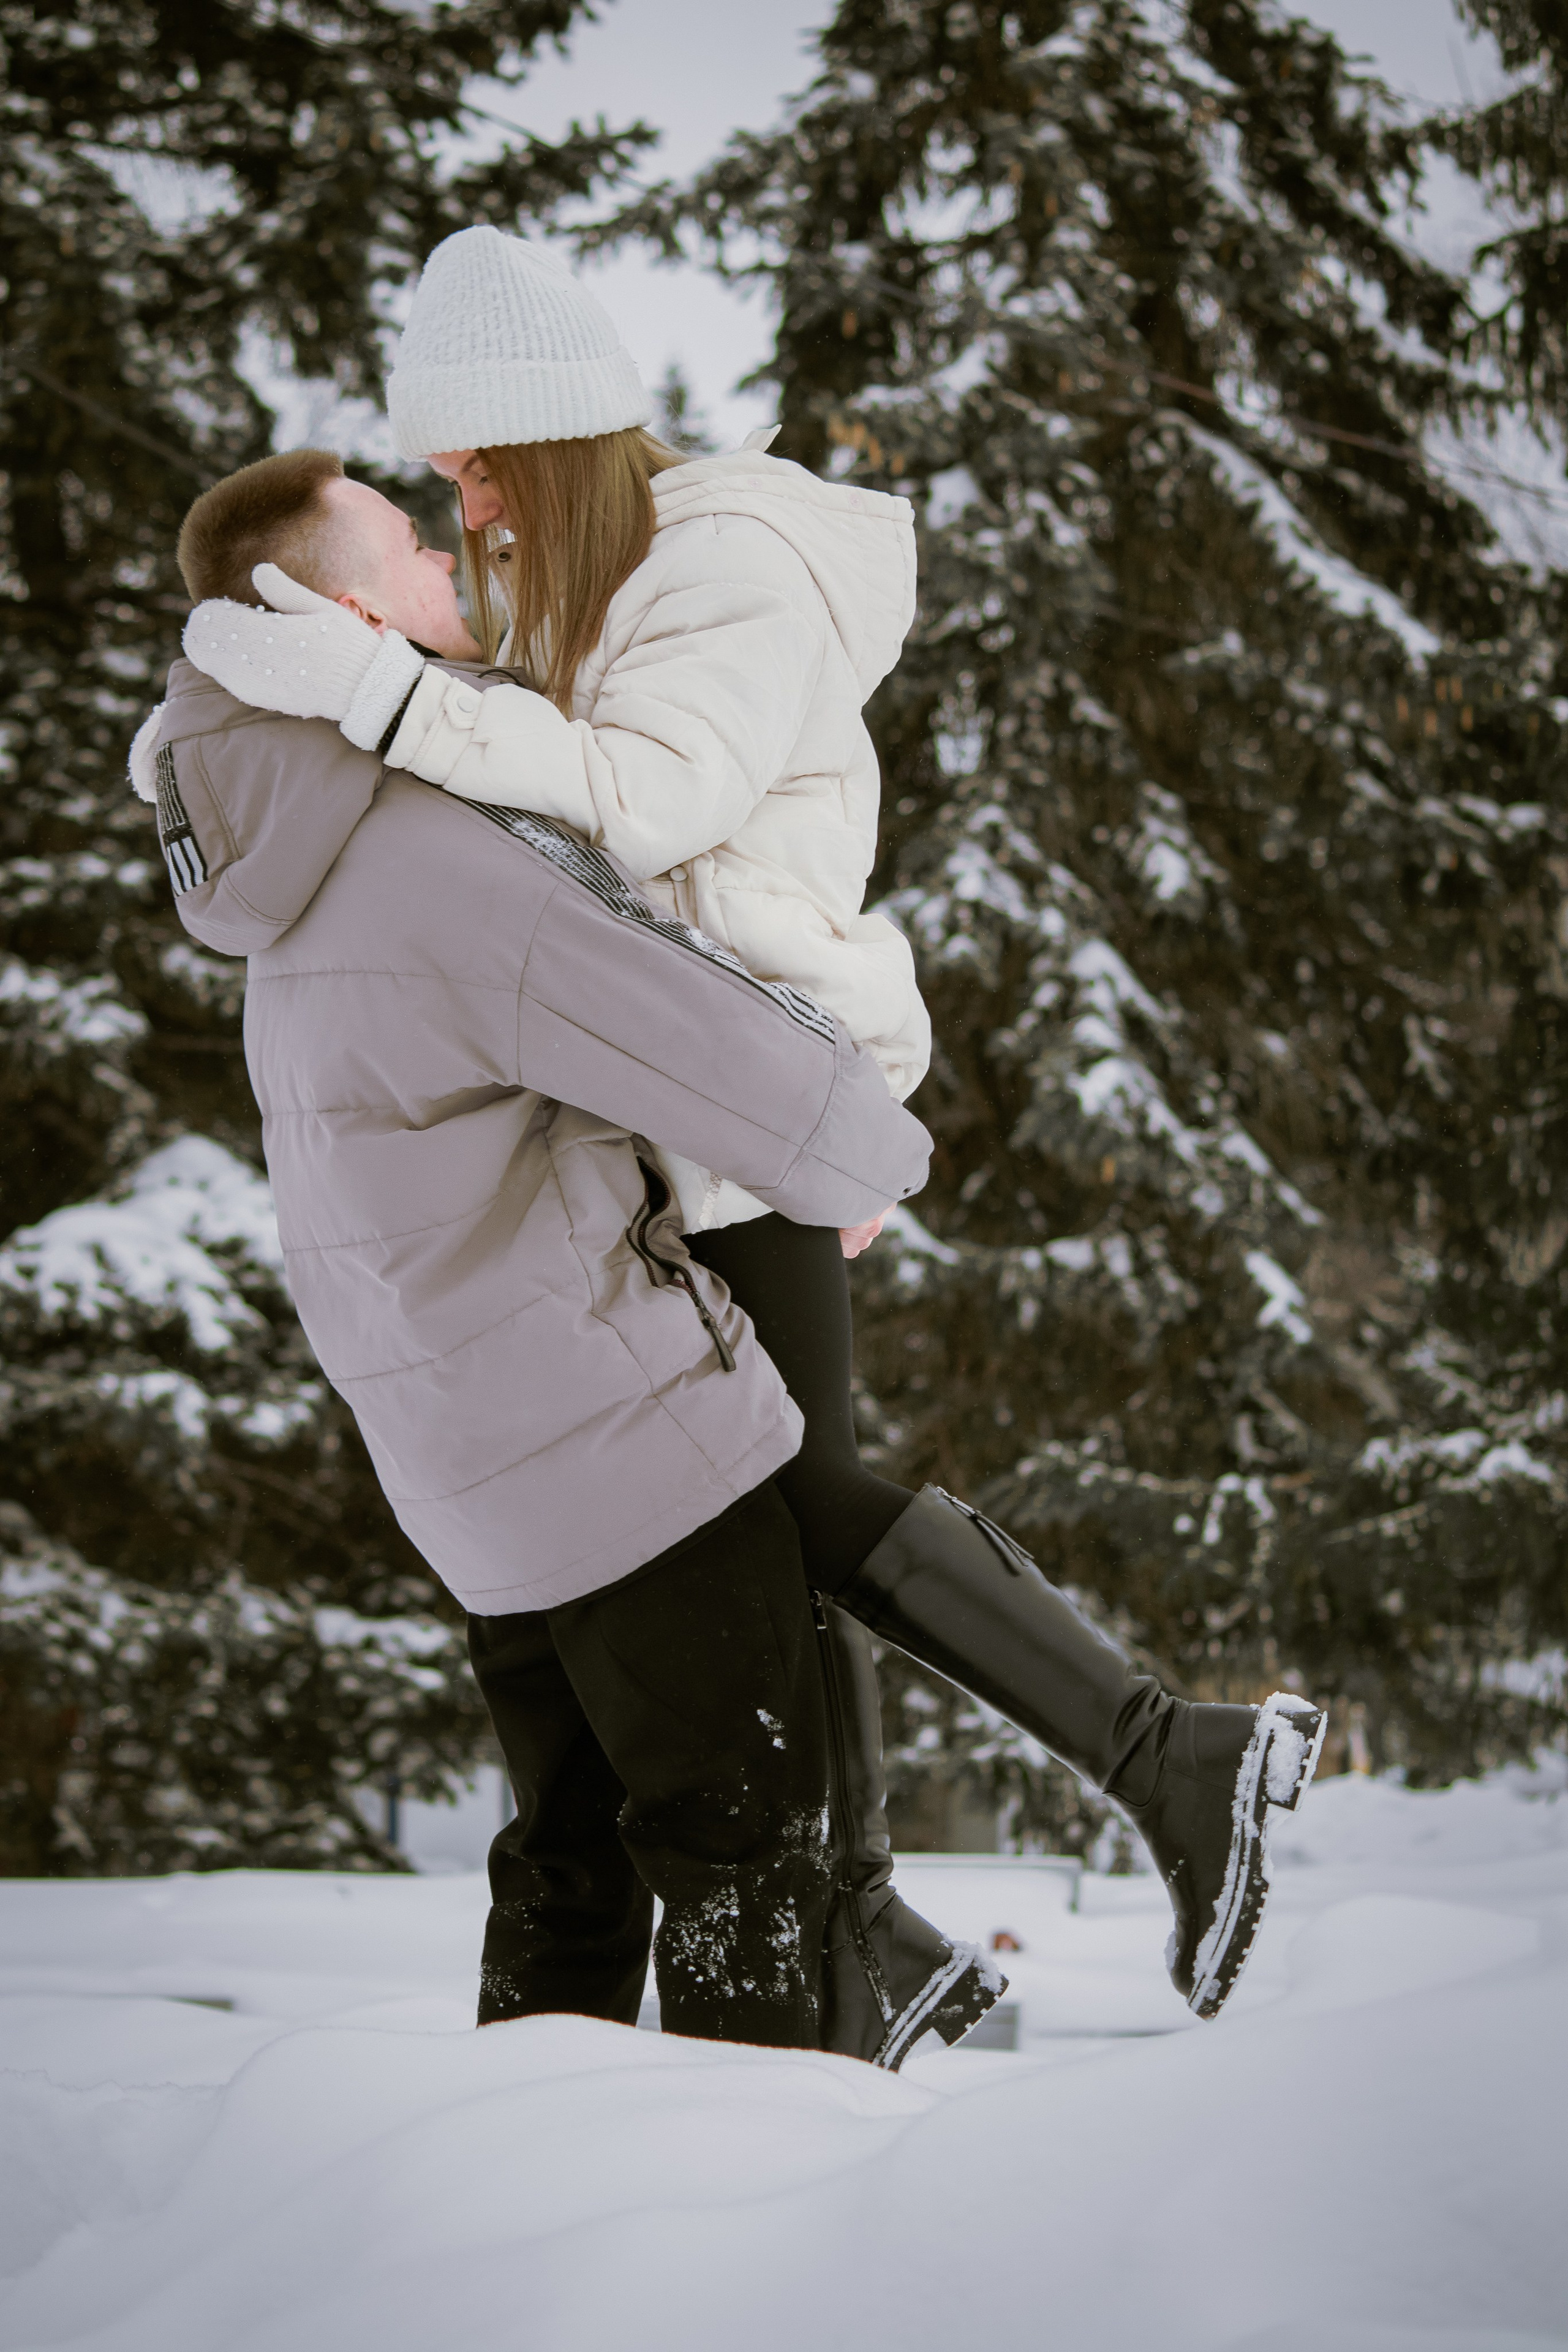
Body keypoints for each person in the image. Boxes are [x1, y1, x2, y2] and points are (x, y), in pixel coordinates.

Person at [184, 228, 1327, 2022]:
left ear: (545, 434)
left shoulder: (720, 571)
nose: (453, 490)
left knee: (785, 1494)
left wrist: (378, 692)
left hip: (762, 1080)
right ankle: (883, 1902)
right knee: (760, 1519)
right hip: (681, 1103)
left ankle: (1166, 1759)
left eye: (472, 458)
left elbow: (639, 811)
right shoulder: (577, 591)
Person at [137, 445, 1004, 2068]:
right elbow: (676, 1029)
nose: (445, 555)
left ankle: (525, 2219)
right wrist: (867, 1152)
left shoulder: (279, 870)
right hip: (618, 1443)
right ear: (332, 611)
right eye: (404, 547)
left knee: (566, 1864)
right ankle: (758, 2223)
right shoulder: (418, 844)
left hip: (472, 1465)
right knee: (740, 1846)